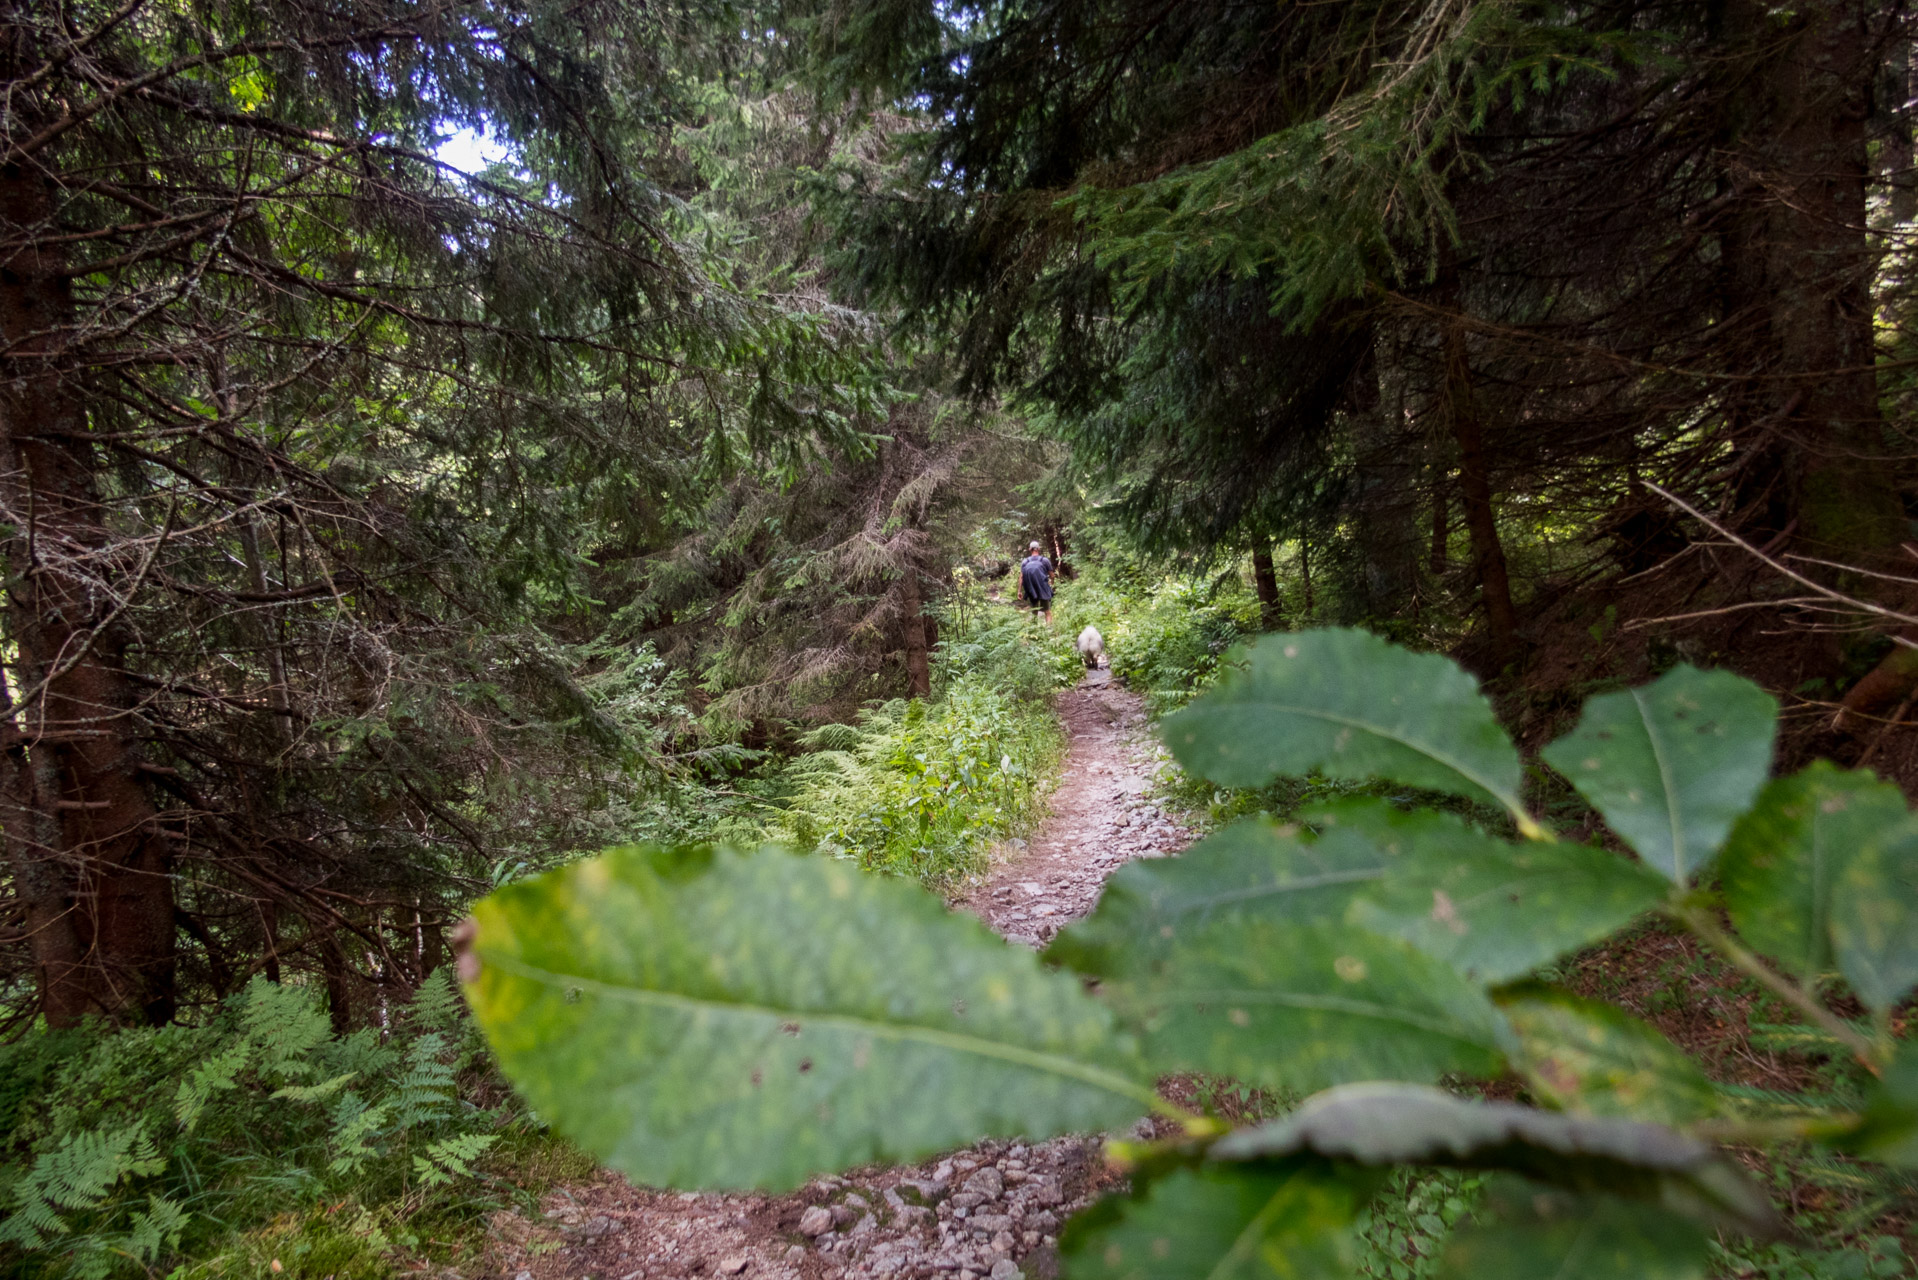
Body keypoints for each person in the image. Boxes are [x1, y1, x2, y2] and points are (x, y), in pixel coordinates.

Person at [1018, 541, 1054, 626]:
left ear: (1030, 549)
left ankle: (1034, 631)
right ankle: (1049, 631)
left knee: (1034, 610)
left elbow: (1021, 577)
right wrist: (1051, 582)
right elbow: (1052, 575)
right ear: (1039, 549)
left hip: (1031, 589)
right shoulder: (1044, 560)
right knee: (1047, 611)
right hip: (1043, 588)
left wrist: (1019, 591)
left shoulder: (1025, 562)